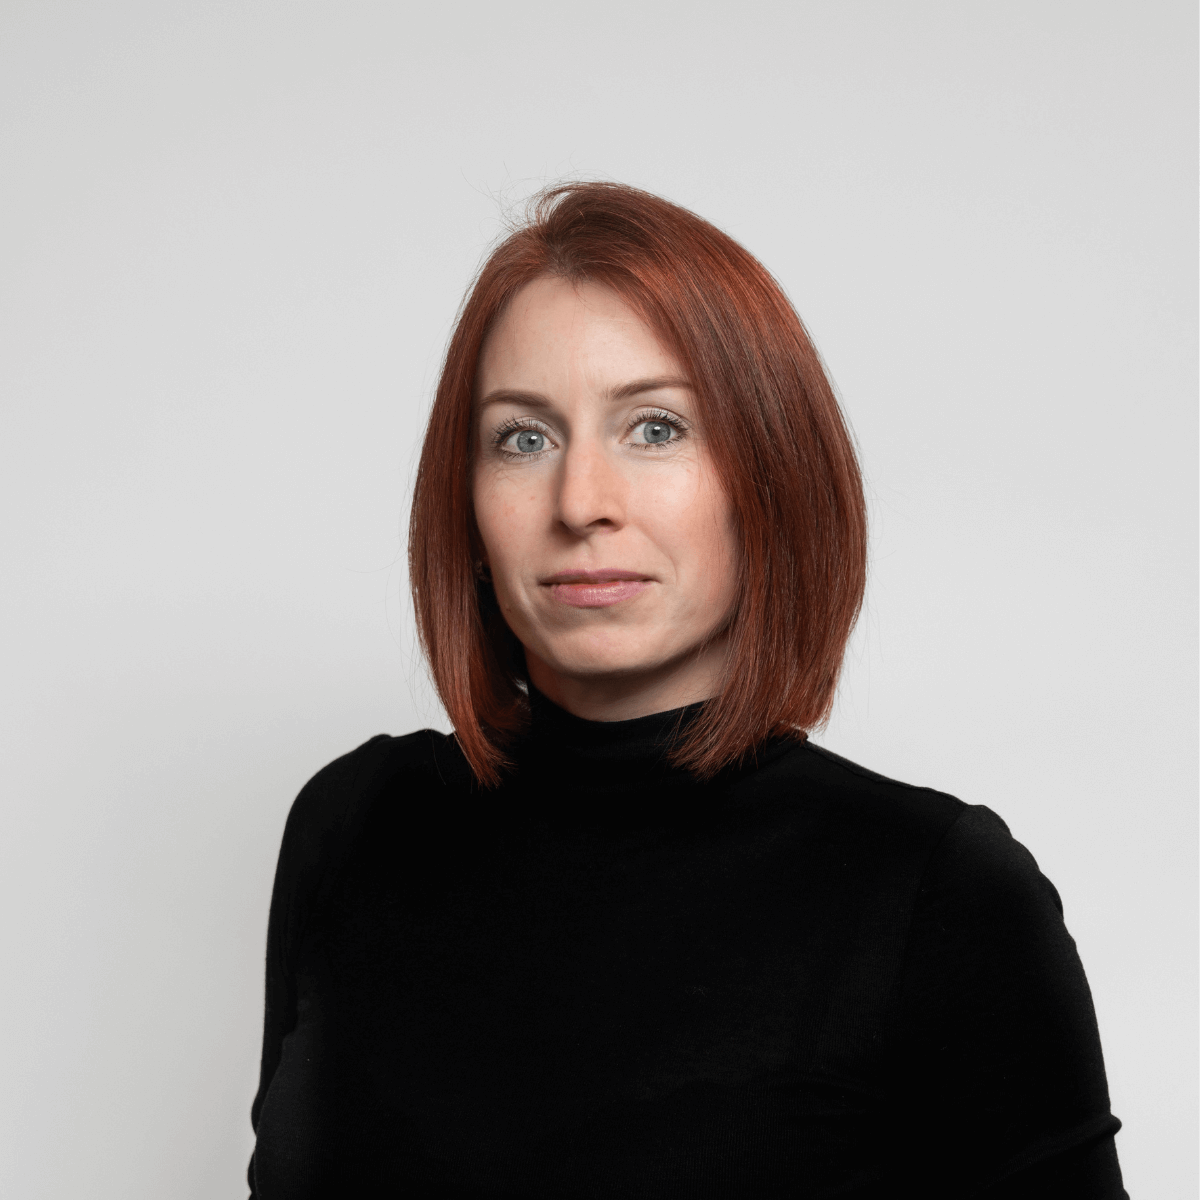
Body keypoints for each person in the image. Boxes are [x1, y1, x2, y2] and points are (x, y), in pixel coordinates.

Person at [247, 182, 1127, 1198]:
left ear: (771, 478)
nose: (582, 502)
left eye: (656, 428)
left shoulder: (940, 893)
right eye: (523, 438)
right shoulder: (356, 825)